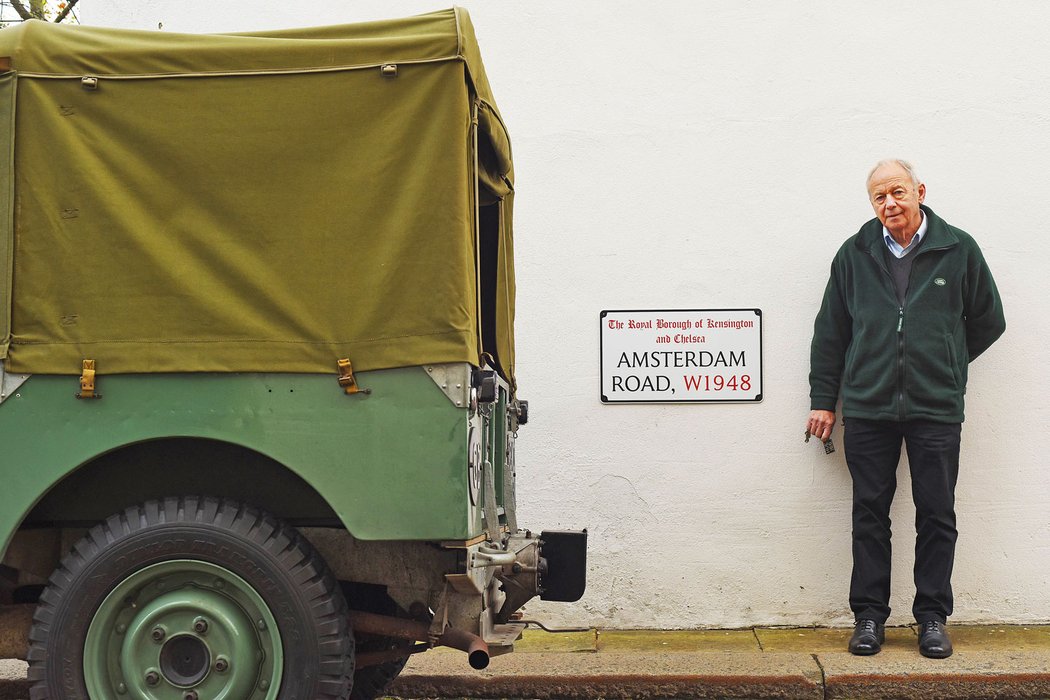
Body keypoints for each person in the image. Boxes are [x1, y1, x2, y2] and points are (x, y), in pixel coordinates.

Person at [806, 159, 1005, 659]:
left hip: (935, 407)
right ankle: (869, 616)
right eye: (879, 197)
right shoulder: (854, 255)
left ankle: (932, 617)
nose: (889, 203)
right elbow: (831, 333)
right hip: (869, 407)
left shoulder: (958, 249)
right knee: (869, 513)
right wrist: (823, 401)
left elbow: (988, 319)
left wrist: (946, 361)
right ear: (872, 205)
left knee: (936, 513)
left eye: (897, 192)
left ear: (919, 190)